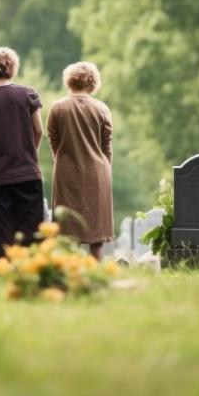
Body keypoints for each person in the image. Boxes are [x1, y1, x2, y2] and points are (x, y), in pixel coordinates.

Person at [0, 47, 44, 264]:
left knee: (2, 233)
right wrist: (29, 153)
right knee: (31, 233)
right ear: (13, 68)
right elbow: (38, 130)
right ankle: (31, 275)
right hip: (27, 173)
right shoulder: (28, 94)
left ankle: (4, 275)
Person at [46, 62, 114, 260]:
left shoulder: (57, 108)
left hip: (66, 174)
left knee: (67, 232)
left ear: (69, 81)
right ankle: (95, 276)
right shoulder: (101, 108)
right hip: (98, 173)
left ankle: (69, 276)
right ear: (93, 82)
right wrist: (106, 169)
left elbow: (54, 141)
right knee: (96, 235)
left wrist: (63, 161)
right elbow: (106, 146)